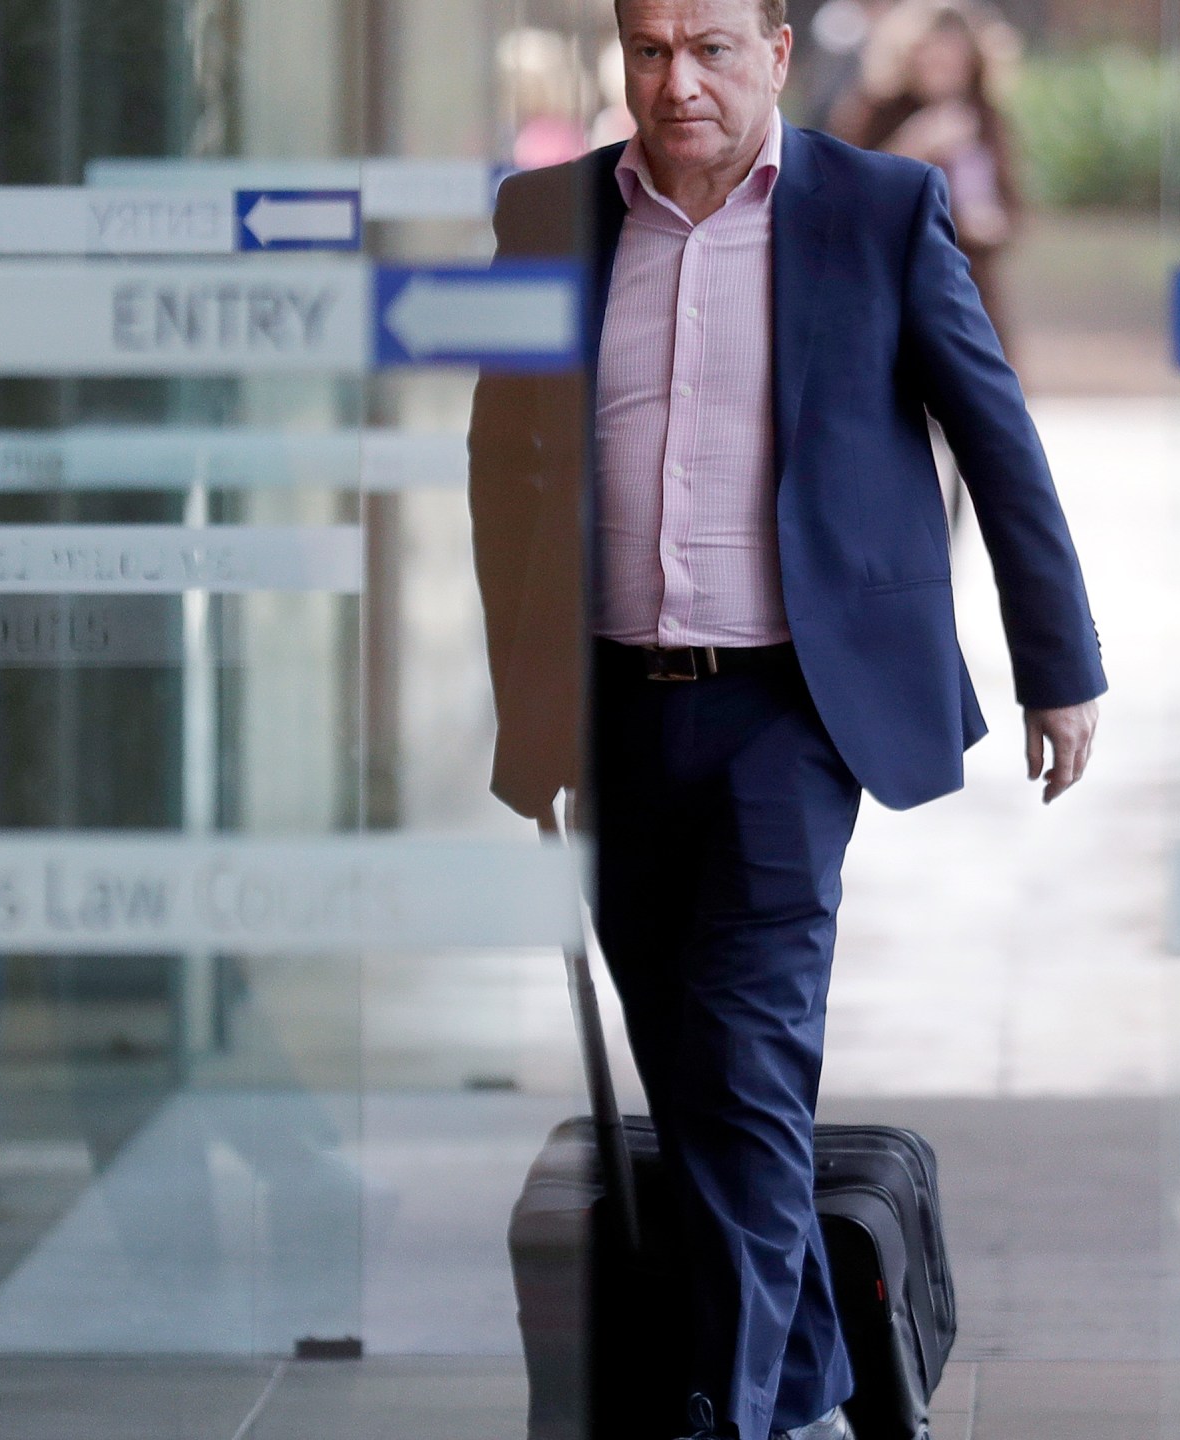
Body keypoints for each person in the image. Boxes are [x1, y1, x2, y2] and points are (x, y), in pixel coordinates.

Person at [467, 0, 1103, 1433]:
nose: (675, 82)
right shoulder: (546, 218)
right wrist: (529, 718)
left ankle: (726, 1411)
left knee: (747, 1056)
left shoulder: (876, 211)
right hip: (618, 705)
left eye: (709, 49)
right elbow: (502, 470)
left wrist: (1055, 661)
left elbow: (995, 437)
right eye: (647, 51)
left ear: (772, 48)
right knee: (690, 1070)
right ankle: (816, 1385)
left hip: (790, 710)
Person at [829, 0, 1024, 350]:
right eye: (932, 55)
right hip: (891, 290)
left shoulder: (984, 117)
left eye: (953, 58)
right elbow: (847, 194)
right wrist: (913, 147)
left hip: (968, 293)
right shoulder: (876, 112)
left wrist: (990, 223)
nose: (942, 66)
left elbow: (1010, 205)